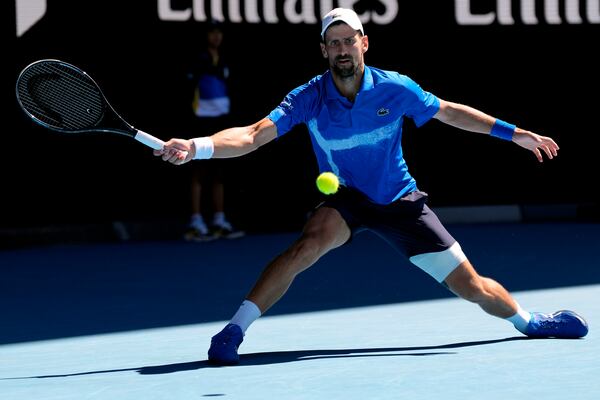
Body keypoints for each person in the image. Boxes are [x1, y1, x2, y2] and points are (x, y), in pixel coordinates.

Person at [156, 8, 588, 365]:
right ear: (323, 50)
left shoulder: (395, 88)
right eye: (334, 42)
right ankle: (233, 330)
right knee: (303, 249)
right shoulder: (309, 96)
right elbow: (252, 135)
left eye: (350, 40)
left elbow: (451, 113)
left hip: (399, 200)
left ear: (364, 44)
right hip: (344, 200)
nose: (343, 49)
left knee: (472, 286)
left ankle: (531, 322)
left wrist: (514, 134)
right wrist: (198, 147)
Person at [183, 20, 244, 242]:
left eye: (219, 32)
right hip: (201, 121)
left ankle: (219, 220)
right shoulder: (197, 59)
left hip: (222, 120)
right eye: (212, 32)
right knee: (198, 172)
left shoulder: (226, 59)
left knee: (219, 173)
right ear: (206, 36)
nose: (216, 36)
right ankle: (196, 222)